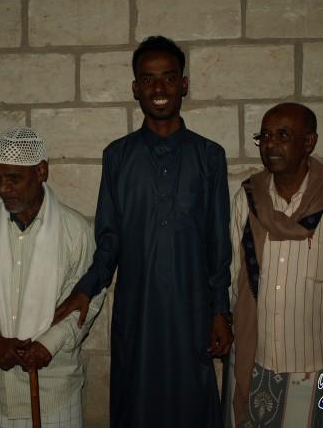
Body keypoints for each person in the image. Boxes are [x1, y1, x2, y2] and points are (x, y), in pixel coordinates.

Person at [53, 36, 233, 428]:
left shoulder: (209, 156)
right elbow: (109, 239)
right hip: (138, 309)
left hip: (191, 309)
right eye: (148, 79)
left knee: (192, 404)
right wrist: (86, 287)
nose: (159, 88)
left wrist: (220, 311)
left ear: (184, 84)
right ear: (136, 87)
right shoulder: (118, 156)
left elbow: (218, 242)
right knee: (137, 404)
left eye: (169, 77)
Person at [229, 102, 323, 427]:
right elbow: (234, 273)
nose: (270, 144)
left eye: (283, 135)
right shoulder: (247, 200)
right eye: (265, 136)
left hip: (316, 363)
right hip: (258, 359)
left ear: (309, 142)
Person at [0, 127, 105, 428]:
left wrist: (48, 344)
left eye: (13, 178)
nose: (3, 189)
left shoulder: (75, 231)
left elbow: (88, 299)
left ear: (41, 171)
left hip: (52, 391)